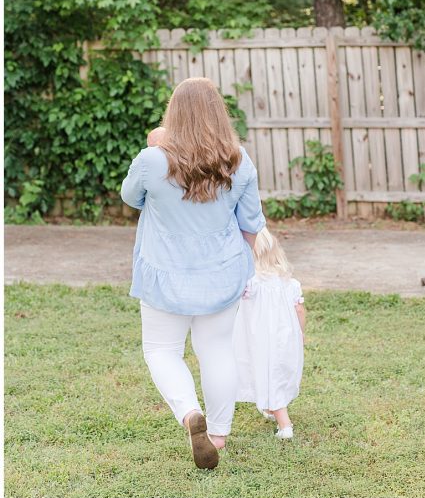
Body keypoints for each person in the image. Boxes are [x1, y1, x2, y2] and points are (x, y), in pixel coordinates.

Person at [121, 77, 265, 470]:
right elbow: (251, 223)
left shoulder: (153, 160)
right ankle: (216, 434)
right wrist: (243, 266)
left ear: (174, 114)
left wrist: (153, 146)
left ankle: (189, 415)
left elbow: (130, 197)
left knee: (161, 350)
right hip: (222, 273)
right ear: (219, 113)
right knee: (217, 351)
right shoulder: (238, 158)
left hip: (164, 275)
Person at [234, 227, 306, 439]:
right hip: (286, 339)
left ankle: (285, 426)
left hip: (262, 339)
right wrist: (300, 333)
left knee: (268, 373)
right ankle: (270, 407)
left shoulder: (251, 284)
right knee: (277, 373)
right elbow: (299, 309)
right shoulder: (290, 283)